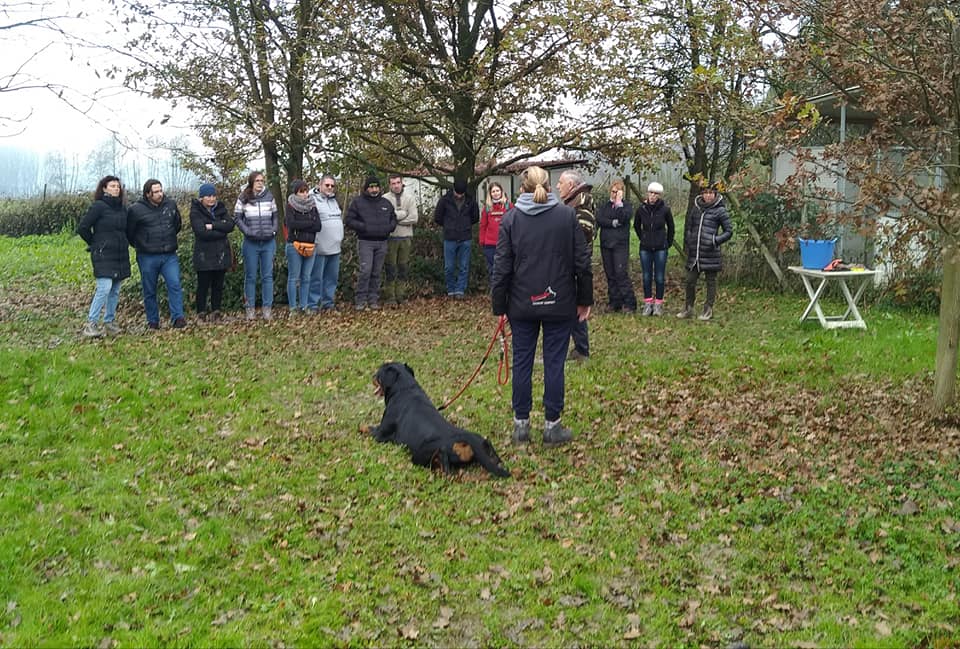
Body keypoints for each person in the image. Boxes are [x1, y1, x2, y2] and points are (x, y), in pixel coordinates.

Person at [492, 166, 593, 447]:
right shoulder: (566, 216)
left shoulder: (511, 218)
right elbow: (582, 261)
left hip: (522, 305)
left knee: (522, 362)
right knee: (554, 363)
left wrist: (499, 306)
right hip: (559, 302)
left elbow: (501, 267)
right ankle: (552, 426)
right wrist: (584, 300)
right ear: (548, 186)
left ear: (521, 188)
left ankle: (521, 426)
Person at [127, 178, 186, 330]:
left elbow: (177, 224)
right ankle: (153, 321)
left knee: (174, 284)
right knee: (149, 289)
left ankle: (178, 318)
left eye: (161, 190)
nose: (160, 194)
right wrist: (141, 244)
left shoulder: (170, 205)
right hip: (147, 255)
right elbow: (130, 232)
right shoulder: (136, 210)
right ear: (148, 194)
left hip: (169, 254)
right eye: (156, 192)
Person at [76, 175, 130, 337]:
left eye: (117, 186)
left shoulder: (123, 208)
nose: (116, 189)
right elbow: (83, 227)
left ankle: (109, 322)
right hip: (103, 254)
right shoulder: (98, 207)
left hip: (120, 254)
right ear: (104, 188)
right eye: (112, 186)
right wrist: (95, 243)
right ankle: (91, 323)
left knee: (115, 290)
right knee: (104, 288)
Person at [556, 168, 596, 362]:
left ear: (571, 185)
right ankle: (578, 348)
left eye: (560, 183)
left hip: (575, 267)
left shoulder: (581, 207)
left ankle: (581, 350)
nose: (558, 186)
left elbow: (581, 238)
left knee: (575, 309)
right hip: (571, 266)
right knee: (571, 309)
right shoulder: (573, 205)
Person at [679, 181, 733, 320]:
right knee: (690, 281)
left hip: (710, 253)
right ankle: (688, 308)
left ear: (715, 194)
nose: (708, 195)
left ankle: (708, 309)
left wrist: (715, 240)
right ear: (702, 194)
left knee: (710, 282)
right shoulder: (696, 208)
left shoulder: (720, 210)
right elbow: (689, 226)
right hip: (695, 254)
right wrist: (690, 240)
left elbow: (728, 231)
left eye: (711, 193)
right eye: (705, 192)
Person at [344, 175, 397, 310]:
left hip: (382, 242)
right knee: (365, 271)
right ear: (366, 188)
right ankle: (360, 300)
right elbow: (349, 220)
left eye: (376, 187)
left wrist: (389, 228)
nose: (374, 189)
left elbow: (393, 218)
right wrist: (363, 227)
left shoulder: (385, 203)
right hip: (365, 242)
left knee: (377, 272)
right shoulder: (358, 202)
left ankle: (373, 299)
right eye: (371, 187)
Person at [234, 171, 278, 320]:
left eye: (262, 180)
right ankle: (250, 309)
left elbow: (275, 216)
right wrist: (247, 231)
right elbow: (237, 218)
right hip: (251, 243)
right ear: (252, 182)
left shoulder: (269, 196)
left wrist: (273, 230)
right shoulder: (243, 197)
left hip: (268, 242)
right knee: (250, 276)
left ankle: (267, 308)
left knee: (267, 276)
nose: (260, 183)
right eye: (257, 180)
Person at [189, 182, 235, 320]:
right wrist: (221, 229)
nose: (211, 199)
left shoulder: (221, 209)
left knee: (218, 284)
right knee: (203, 284)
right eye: (208, 196)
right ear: (202, 198)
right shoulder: (195, 211)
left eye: (213, 196)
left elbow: (230, 225)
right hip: (203, 254)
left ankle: (216, 310)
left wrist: (212, 225)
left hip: (221, 252)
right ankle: (201, 312)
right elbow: (201, 232)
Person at [595, 179, 637, 313]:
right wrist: (612, 222)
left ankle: (630, 303)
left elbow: (624, 218)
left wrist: (619, 204)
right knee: (610, 274)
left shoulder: (626, 206)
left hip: (620, 245)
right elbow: (600, 219)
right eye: (613, 192)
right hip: (606, 244)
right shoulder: (604, 206)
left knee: (621, 273)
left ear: (622, 193)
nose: (614, 194)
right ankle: (614, 302)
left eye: (617, 192)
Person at [634, 181, 675, 316]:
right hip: (645, 248)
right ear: (648, 193)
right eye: (651, 193)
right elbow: (636, 226)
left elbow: (671, 227)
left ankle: (658, 304)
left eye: (656, 194)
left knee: (659, 277)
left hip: (660, 248)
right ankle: (648, 303)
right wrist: (643, 238)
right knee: (646, 276)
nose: (653, 196)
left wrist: (667, 243)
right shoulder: (641, 209)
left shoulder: (665, 210)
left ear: (659, 196)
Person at [433, 178, 479, 298]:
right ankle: (451, 289)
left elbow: (475, 217)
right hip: (450, 237)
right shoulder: (444, 200)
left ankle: (460, 290)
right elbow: (438, 217)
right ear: (453, 190)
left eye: (461, 194)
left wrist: (465, 225)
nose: (459, 196)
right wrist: (449, 226)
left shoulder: (471, 201)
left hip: (465, 237)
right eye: (457, 193)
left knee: (464, 266)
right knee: (449, 267)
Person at [284, 179, 322, 313]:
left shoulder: (313, 206)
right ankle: (293, 307)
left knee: (306, 277)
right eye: (301, 191)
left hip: (310, 245)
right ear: (295, 193)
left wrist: (303, 225)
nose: (305, 194)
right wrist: (309, 223)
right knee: (294, 277)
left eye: (306, 191)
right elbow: (291, 224)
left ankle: (304, 306)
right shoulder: (290, 206)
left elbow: (318, 226)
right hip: (294, 245)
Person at [308, 174, 344, 313]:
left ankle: (328, 303)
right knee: (316, 278)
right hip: (319, 247)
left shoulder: (334, 201)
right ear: (320, 185)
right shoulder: (312, 199)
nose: (330, 188)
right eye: (327, 185)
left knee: (331, 278)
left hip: (335, 247)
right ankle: (312, 305)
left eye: (332, 185)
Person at [382, 174, 419, 306]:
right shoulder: (384, 199)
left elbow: (414, 218)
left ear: (402, 183)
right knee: (390, 268)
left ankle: (401, 295)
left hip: (406, 237)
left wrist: (395, 220)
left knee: (403, 267)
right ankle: (390, 297)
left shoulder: (409, 198)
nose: (396, 186)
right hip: (391, 238)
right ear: (389, 185)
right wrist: (403, 214)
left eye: (398, 182)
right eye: (393, 183)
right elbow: (384, 219)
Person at [479, 181, 511, 287]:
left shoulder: (508, 206)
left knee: (505, 269)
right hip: (490, 245)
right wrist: (482, 241)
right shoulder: (487, 208)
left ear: (501, 192)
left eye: (497, 190)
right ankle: (494, 290)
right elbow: (483, 226)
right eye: (493, 191)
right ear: (490, 193)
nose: (496, 193)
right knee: (492, 270)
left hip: (505, 244)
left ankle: (505, 290)